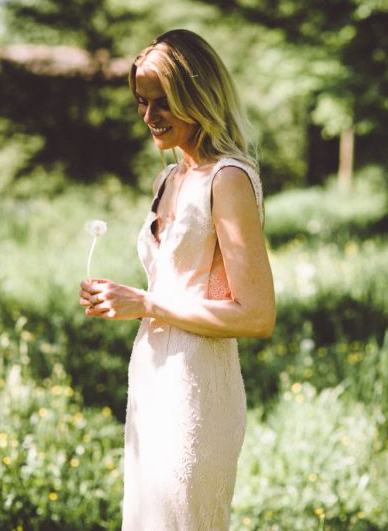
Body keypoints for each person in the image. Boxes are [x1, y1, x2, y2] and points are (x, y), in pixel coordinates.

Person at [79, 29, 276, 530]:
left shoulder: (227, 179)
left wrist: (144, 303)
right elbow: (177, 285)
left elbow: (255, 315)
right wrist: (121, 300)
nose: (149, 116)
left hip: (197, 385)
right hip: (151, 374)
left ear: (198, 95)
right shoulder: (167, 180)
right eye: (141, 102)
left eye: (162, 101)